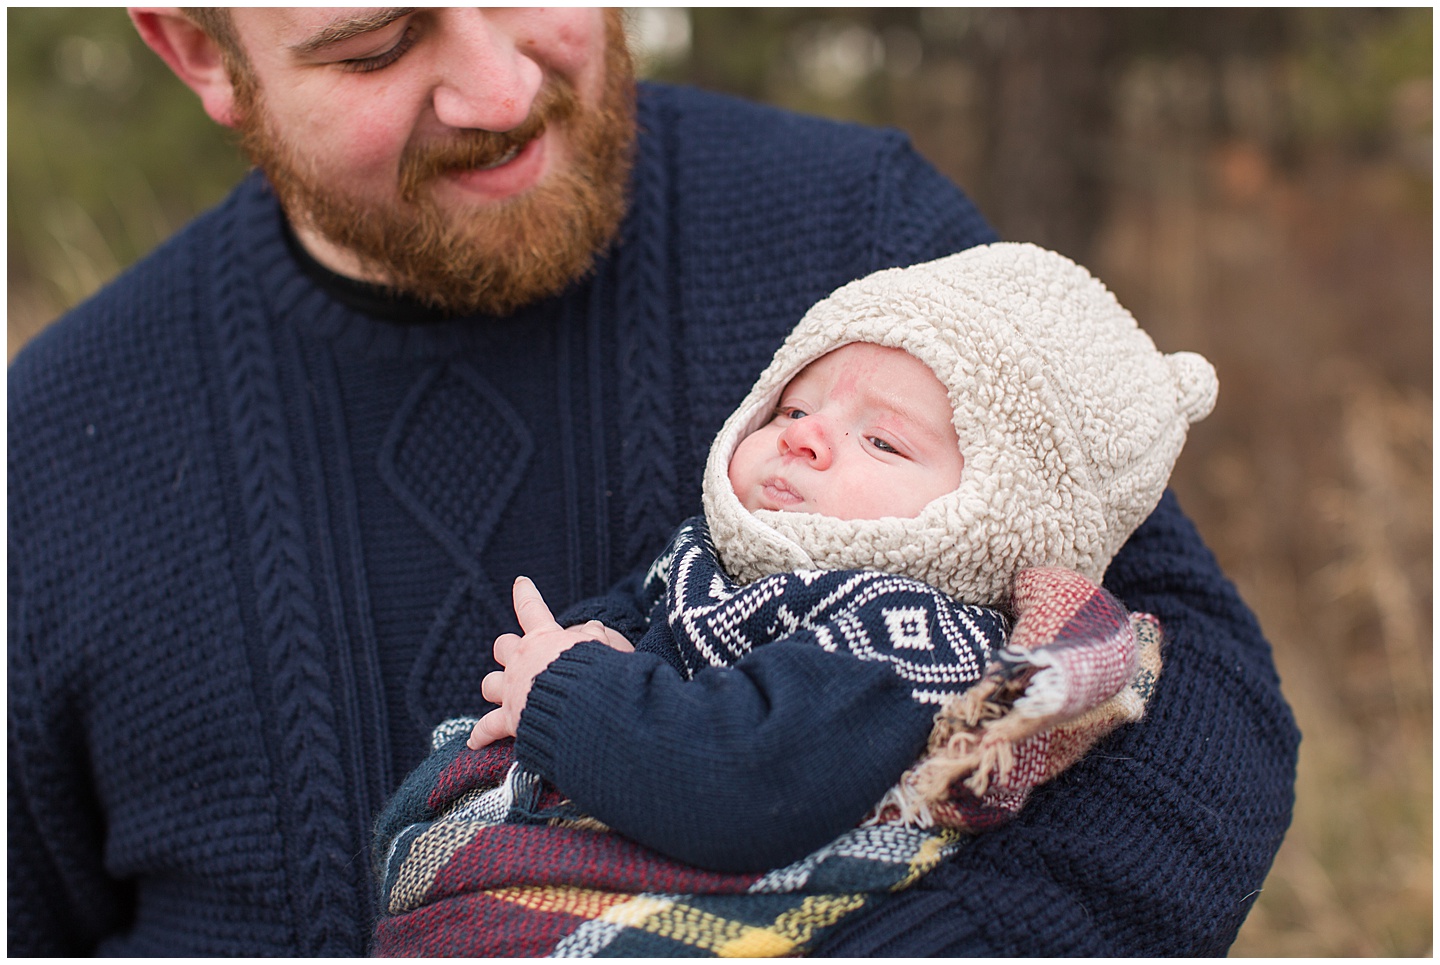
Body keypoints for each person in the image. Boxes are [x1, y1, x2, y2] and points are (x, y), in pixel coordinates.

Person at [6, 8, 1299, 957]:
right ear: (195, 49)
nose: (499, 87)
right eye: (379, 44)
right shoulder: (52, 446)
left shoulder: (861, 239)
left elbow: (1207, 717)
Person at [370, 244, 1198, 956]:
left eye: (883, 439)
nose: (805, 433)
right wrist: (593, 646)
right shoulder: (715, 554)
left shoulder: (907, 636)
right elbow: (635, 627)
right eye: (796, 406)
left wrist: (566, 691)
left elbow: (742, 779)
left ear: (998, 515)